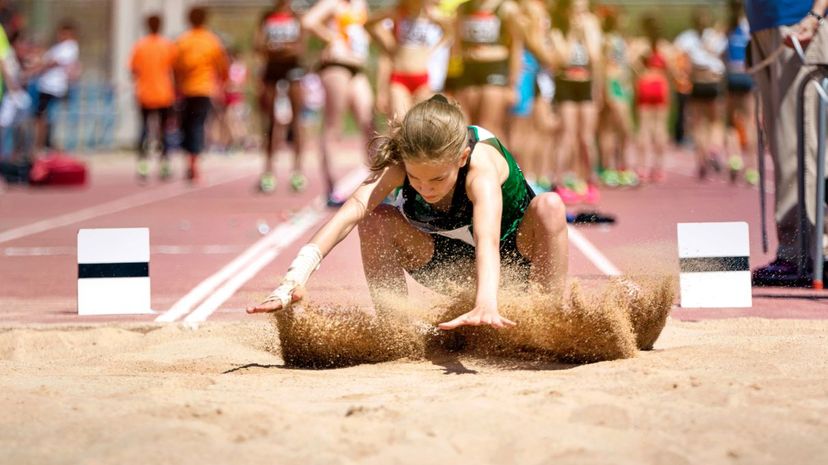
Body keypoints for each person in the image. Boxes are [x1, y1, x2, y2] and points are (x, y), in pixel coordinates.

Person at [247, 95, 568, 331]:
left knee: (550, 206)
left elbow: (487, 241)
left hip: (511, 258)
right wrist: (293, 278)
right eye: (416, 179)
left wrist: (485, 303)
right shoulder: (400, 162)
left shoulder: (480, 169)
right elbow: (350, 213)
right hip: (445, 264)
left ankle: (546, 323)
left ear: (461, 157)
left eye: (438, 178)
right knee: (374, 220)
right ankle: (397, 332)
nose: (427, 188)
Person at [749, 0, 828, 286]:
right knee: (784, 147)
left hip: (800, 24)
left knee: (802, 146)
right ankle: (796, 252)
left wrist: (816, 14)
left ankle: (808, 253)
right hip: (765, 24)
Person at [302, 0, 375, 206]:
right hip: (336, 65)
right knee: (334, 125)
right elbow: (308, 21)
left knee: (369, 121)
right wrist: (332, 38)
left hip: (356, 67)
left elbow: (361, 29)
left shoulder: (361, 4)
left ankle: (377, 185)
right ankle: (332, 189)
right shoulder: (332, 2)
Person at [255, 0, 307, 193]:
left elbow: (299, 48)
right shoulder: (266, 17)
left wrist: (275, 48)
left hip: (293, 70)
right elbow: (258, 46)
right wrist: (283, 48)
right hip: (271, 71)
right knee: (270, 121)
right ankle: (268, 172)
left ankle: (297, 172)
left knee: (296, 120)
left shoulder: (297, 17)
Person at [453, 0, 522, 144]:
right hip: (468, 69)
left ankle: (503, 165)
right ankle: (472, 165)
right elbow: (456, 44)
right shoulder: (463, 8)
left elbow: (516, 46)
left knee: (489, 128)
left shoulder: (507, 9)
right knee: (465, 128)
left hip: (495, 70)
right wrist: (450, 78)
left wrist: (513, 85)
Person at [174, 6, 229, 183]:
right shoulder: (211, 41)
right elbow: (223, 66)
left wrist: (177, 85)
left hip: (186, 90)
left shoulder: (183, 41)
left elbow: (176, 67)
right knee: (197, 124)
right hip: (204, 90)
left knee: (186, 126)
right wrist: (222, 84)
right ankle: (194, 161)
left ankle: (190, 160)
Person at [366, 0, 449, 117]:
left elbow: (449, 30)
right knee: (399, 124)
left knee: (420, 125)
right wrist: (388, 14)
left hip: (422, 79)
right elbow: (369, 24)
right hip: (399, 78)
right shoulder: (398, 15)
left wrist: (435, 48)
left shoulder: (431, 15)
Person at [674, 9, 727, 181]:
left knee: (698, 124)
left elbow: (680, 58)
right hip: (713, 81)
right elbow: (724, 55)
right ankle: (714, 149)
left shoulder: (686, 38)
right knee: (715, 122)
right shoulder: (714, 36)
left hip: (697, 82)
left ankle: (702, 160)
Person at [129, 14, 176, 182]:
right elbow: (174, 70)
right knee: (164, 131)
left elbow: (133, 70)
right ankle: (164, 165)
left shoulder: (140, 46)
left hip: (145, 93)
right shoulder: (167, 46)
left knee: (144, 130)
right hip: (164, 94)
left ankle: (143, 166)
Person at [631, 14, 674, 183]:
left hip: (645, 84)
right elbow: (672, 67)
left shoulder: (639, 45)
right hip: (660, 84)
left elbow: (630, 61)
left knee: (644, 127)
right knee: (660, 127)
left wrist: (642, 72)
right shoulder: (665, 46)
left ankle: (642, 167)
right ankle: (659, 168)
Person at [723, 0, 758, 186]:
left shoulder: (727, 27)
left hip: (732, 76)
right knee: (749, 121)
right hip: (747, 75)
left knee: (730, 122)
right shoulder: (751, 24)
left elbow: (720, 53)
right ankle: (752, 169)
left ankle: (734, 158)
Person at [32, 20, 79, 155]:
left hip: (53, 87)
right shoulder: (59, 46)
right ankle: (44, 144)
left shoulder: (69, 46)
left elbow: (52, 62)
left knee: (44, 116)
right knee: (42, 116)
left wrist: (36, 68)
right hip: (46, 85)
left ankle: (44, 145)